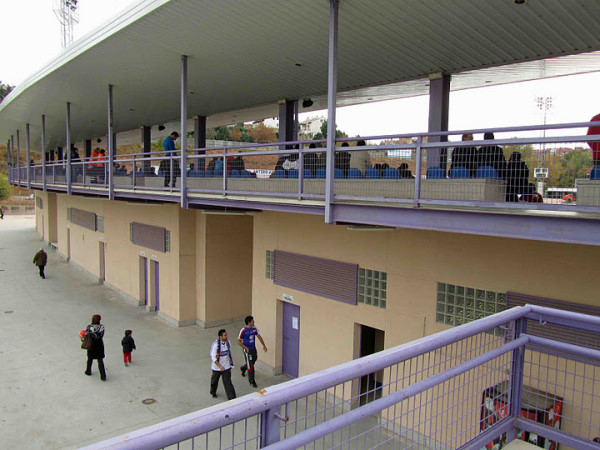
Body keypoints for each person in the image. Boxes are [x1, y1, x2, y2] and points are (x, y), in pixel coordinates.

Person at [238, 315, 267, 388]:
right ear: (249, 322)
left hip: (253, 349)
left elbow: (259, 336)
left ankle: (244, 368)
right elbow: (239, 341)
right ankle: (252, 381)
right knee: (250, 365)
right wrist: (245, 348)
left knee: (254, 359)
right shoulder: (243, 331)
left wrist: (263, 345)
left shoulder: (254, 329)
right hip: (247, 350)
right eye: (252, 321)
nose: (254, 322)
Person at [210, 329, 237, 400]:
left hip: (226, 366)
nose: (226, 336)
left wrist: (229, 365)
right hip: (217, 367)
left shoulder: (228, 343)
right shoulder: (215, 345)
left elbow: (228, 354)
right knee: (214, 381)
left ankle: (232, 397)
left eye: (226, 335)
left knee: (228, 382)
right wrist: (220, 366)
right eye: (225, 335)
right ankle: (213, 392)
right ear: (220, 336)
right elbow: (213, 358)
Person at [84, 314, 106, 381]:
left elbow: (86, 335)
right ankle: (103, 376)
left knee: (90, 358)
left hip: (91, 344)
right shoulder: (102, 327)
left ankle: (88, 371)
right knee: (100, 360)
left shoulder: (89, 327)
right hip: (99, 344)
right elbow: (101, 335)